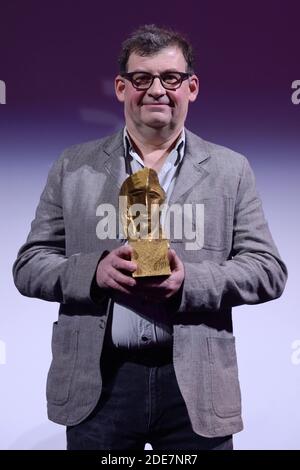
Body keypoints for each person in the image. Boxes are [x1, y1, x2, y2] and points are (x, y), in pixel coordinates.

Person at [13, 24, 288, 450]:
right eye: (142, 78)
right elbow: (29, 266)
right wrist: (93, 274)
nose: (156, 89)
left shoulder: (231, 170)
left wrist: (189, 282)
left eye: (170, 78)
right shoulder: (73, 166)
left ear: (191, 87)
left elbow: (268, 270)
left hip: (195, 387)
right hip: (100, 386)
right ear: (122, 87)